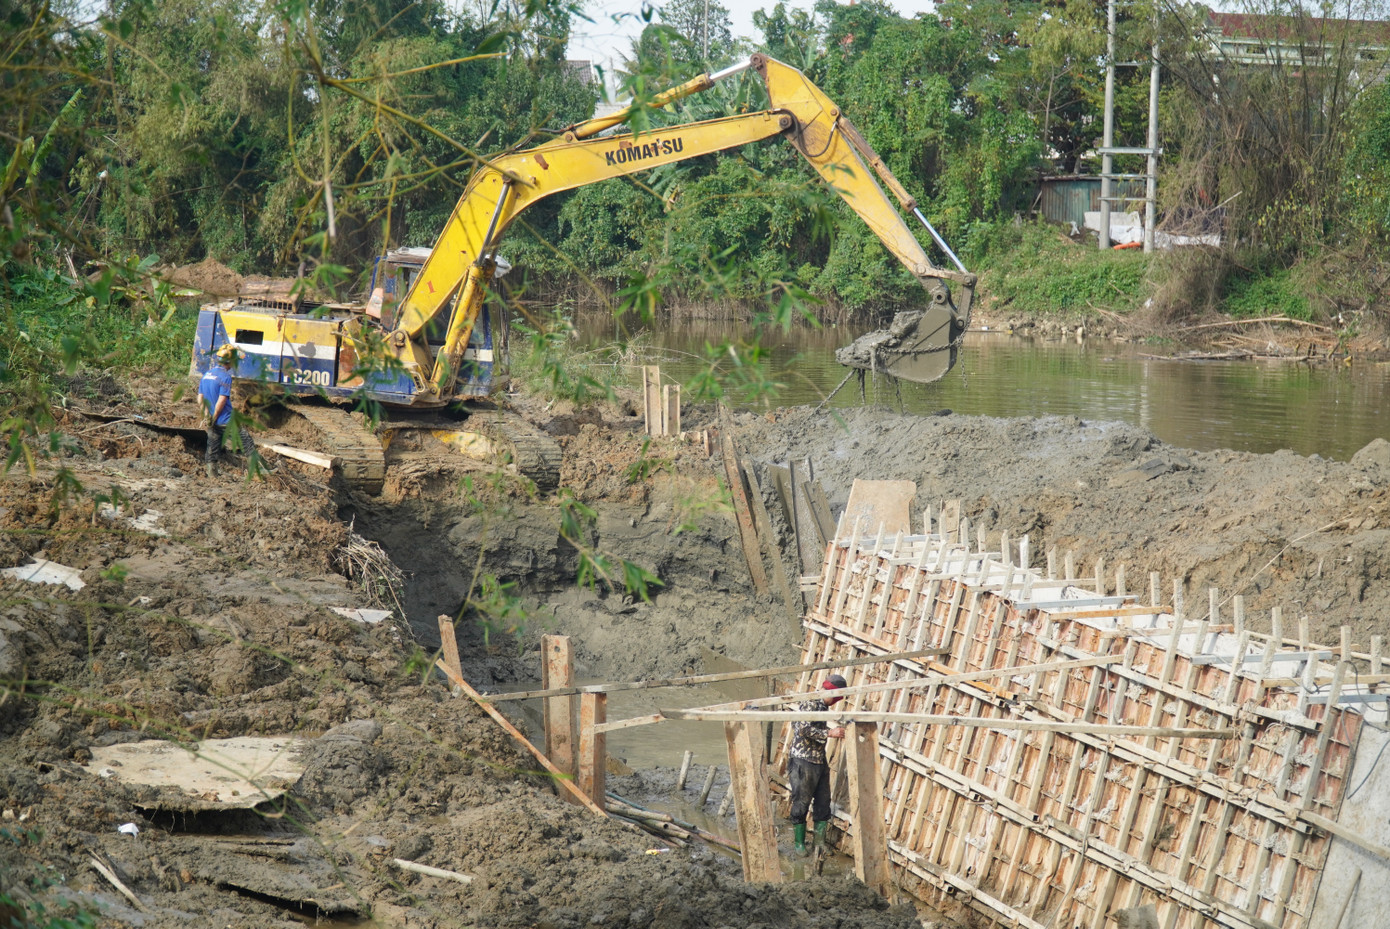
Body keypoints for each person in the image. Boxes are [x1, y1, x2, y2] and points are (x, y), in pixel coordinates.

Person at [787, 673, 848, 857]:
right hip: (803, 760)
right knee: (801, 802)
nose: (835, 702)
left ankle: (819, 844)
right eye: (835, 698)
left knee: (823, 803)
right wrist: (830, 733)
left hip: (819, 760)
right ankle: (799, 844)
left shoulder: (821, 705)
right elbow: (802, 728)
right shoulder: (811, 702)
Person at [200, 344, 236, 476]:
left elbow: (200, 397)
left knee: (212, 445)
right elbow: (222, 400)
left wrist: (207, 416)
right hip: (223, 418)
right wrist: (214, 417)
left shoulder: (207, 374)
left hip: (210, 417)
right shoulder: (225, 377)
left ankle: (211, 474)